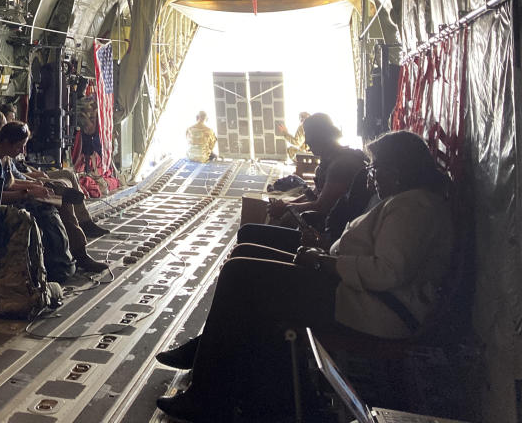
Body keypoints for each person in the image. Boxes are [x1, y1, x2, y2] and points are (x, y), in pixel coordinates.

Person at [154, 131, 454, 421]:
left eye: (376, 169)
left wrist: (326, 261)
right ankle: (213, 365)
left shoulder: (414, 206)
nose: (371, 176)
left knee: (242, 272)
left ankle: (209, 396)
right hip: (356, 293)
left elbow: (387, 273)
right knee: (246, 260)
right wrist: (324, 257)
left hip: (376, 309)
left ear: (397, 171)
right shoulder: (407, 201)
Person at [0, 121, 109, 279]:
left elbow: (11, 182)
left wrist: (36, 185)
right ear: (6, 142)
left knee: (62, 200)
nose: (22, 150)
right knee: (47, 208)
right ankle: (66, 259)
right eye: (19, 146)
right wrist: (29, 193)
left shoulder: (4, 157)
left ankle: (77, 252)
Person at [0, 105, 111, 238]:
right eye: (19, 147)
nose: (21, 151)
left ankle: (83, 226)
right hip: (11, 194)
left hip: (25, 179)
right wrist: (29, 190)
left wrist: (34, 182)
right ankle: (75, 244)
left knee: (67, 175)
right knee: (60, 197)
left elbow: (12, 179)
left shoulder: (6, 154)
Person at [265, 113, 366, 234]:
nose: (307, 141)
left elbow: (322, 206)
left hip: (331, 232)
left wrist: (287, 207)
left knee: (249, 232)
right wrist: (288, 203)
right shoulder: (331, 159)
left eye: (309, 135)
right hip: (324, 223)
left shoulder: (341, 165)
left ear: (322, 136)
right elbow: (316, 192)